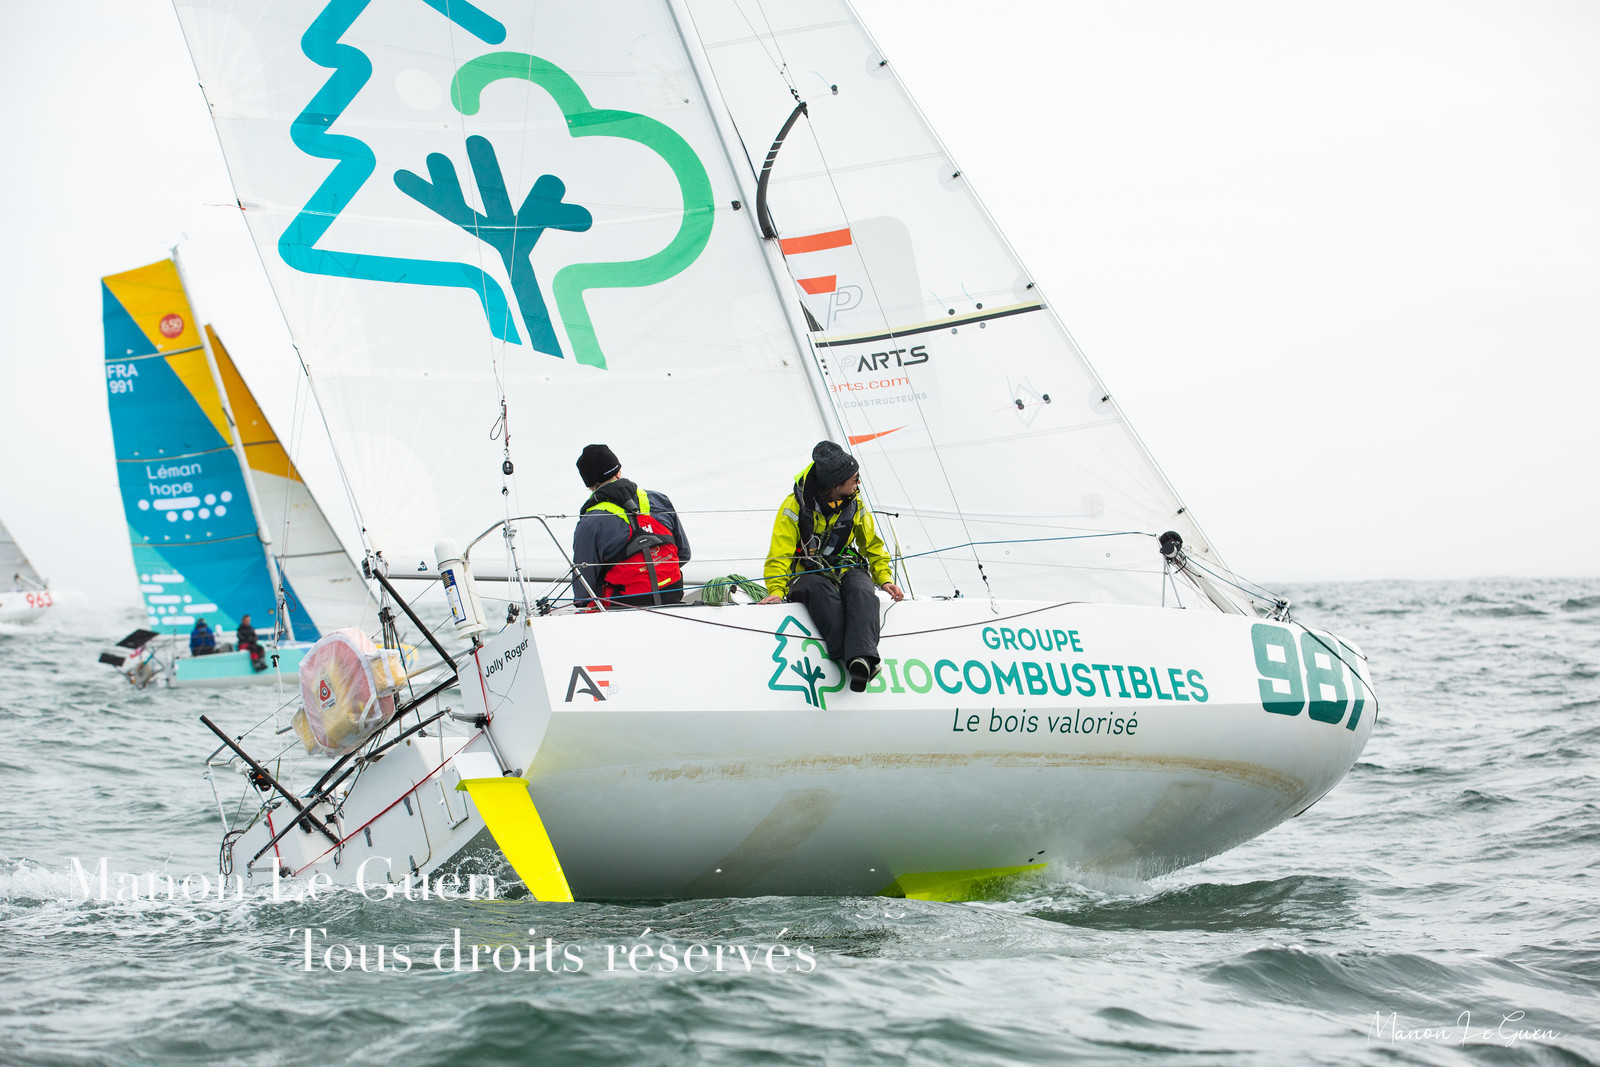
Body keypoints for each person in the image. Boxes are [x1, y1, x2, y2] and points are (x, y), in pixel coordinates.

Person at [759, 440, 904, 691]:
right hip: (807, 572)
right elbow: (779, 555)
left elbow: (872, 545)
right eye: (855, 479)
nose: (858, 483)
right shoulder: (793, 506)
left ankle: (862, 658)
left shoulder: (856, 504)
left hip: (845, 566)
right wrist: (776, 591)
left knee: (862, 590)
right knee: (818, 590)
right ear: (836, 484)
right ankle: (853, 657)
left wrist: (884, 579)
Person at [572, 444, 691, 608]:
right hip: (672, 599)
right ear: (619, 471)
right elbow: (684, 554)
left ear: (589, 485)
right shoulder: (659, 499)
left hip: (624, 610)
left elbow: (583, 591)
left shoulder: (589, 523)